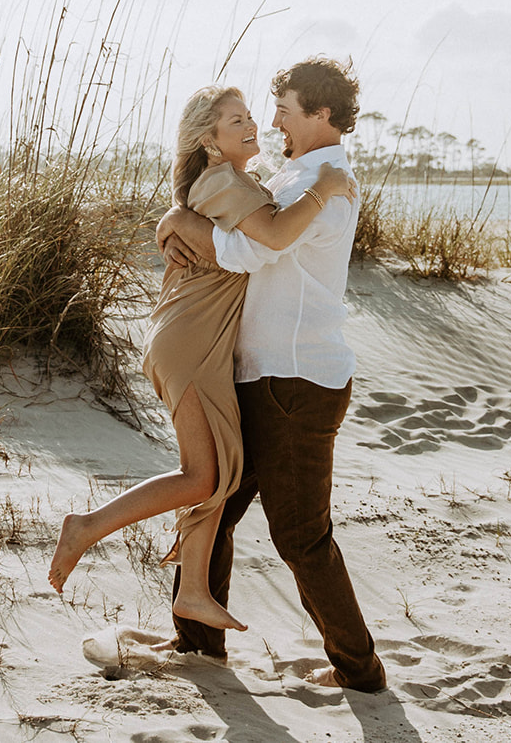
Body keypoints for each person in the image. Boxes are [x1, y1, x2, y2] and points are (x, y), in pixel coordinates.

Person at [48, 84, 353, 632]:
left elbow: (234, 231)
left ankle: (191, 594)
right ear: (209, 142)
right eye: (238, 120)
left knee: (218, 478)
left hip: (208, 344)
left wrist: (178, 220)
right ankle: (87, 528)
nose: (257, 124)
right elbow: (272, 239)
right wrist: (322, 189)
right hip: (192, 341)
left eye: (255, 115)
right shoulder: (229, 181)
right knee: (203, 477)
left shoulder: (243, 181)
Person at [155, 56, 386, 692]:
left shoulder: (322, 179)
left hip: (296, 382)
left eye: (284, 108)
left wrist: (184, 224)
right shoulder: (300, 173)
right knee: (218, 504)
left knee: (301, 537)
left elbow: (256, 248)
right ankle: (197, 644)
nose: (273, 119)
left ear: (322, 114)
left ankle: (359, 669)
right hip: (267, 378)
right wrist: (180, 224)